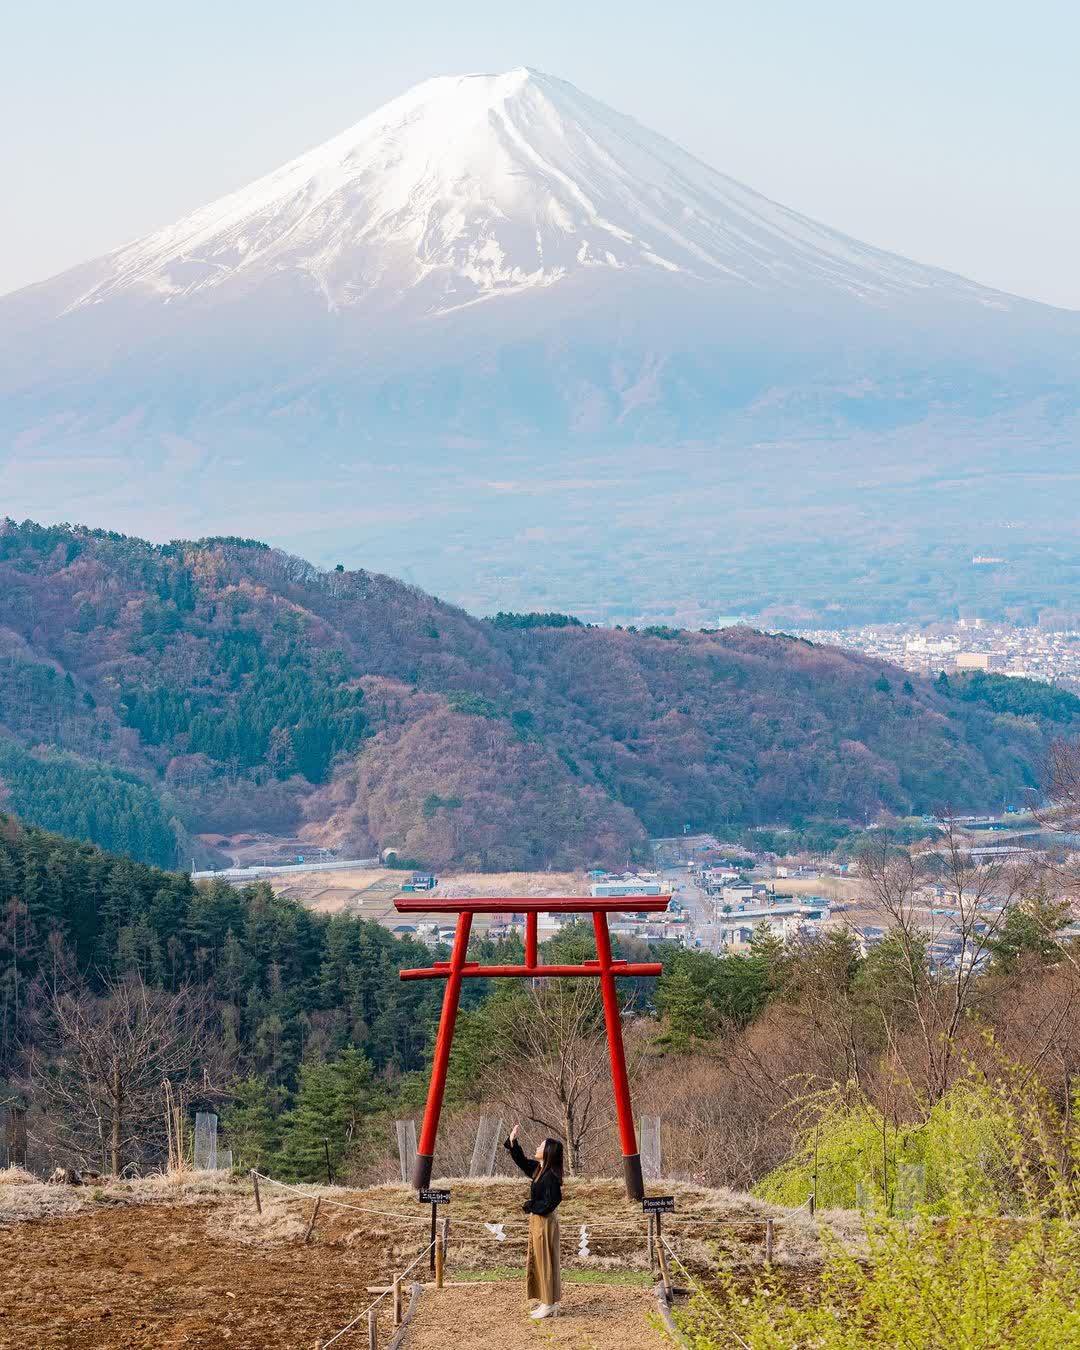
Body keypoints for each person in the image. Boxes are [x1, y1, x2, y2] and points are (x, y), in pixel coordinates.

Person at [504, 1123, 563, 1320]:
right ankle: (547, 1302)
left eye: (541, 1145)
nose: (537, 1147)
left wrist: (530, 1206)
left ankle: (549, 1303)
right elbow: (521, 1161)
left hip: (545, 1222)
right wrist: (513, 1141)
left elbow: (552, 1202)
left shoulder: (551, 1177)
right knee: (539, 1261)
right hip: (538, 1221)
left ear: (547, 1152)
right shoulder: (539, 1170)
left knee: (545, 1261)